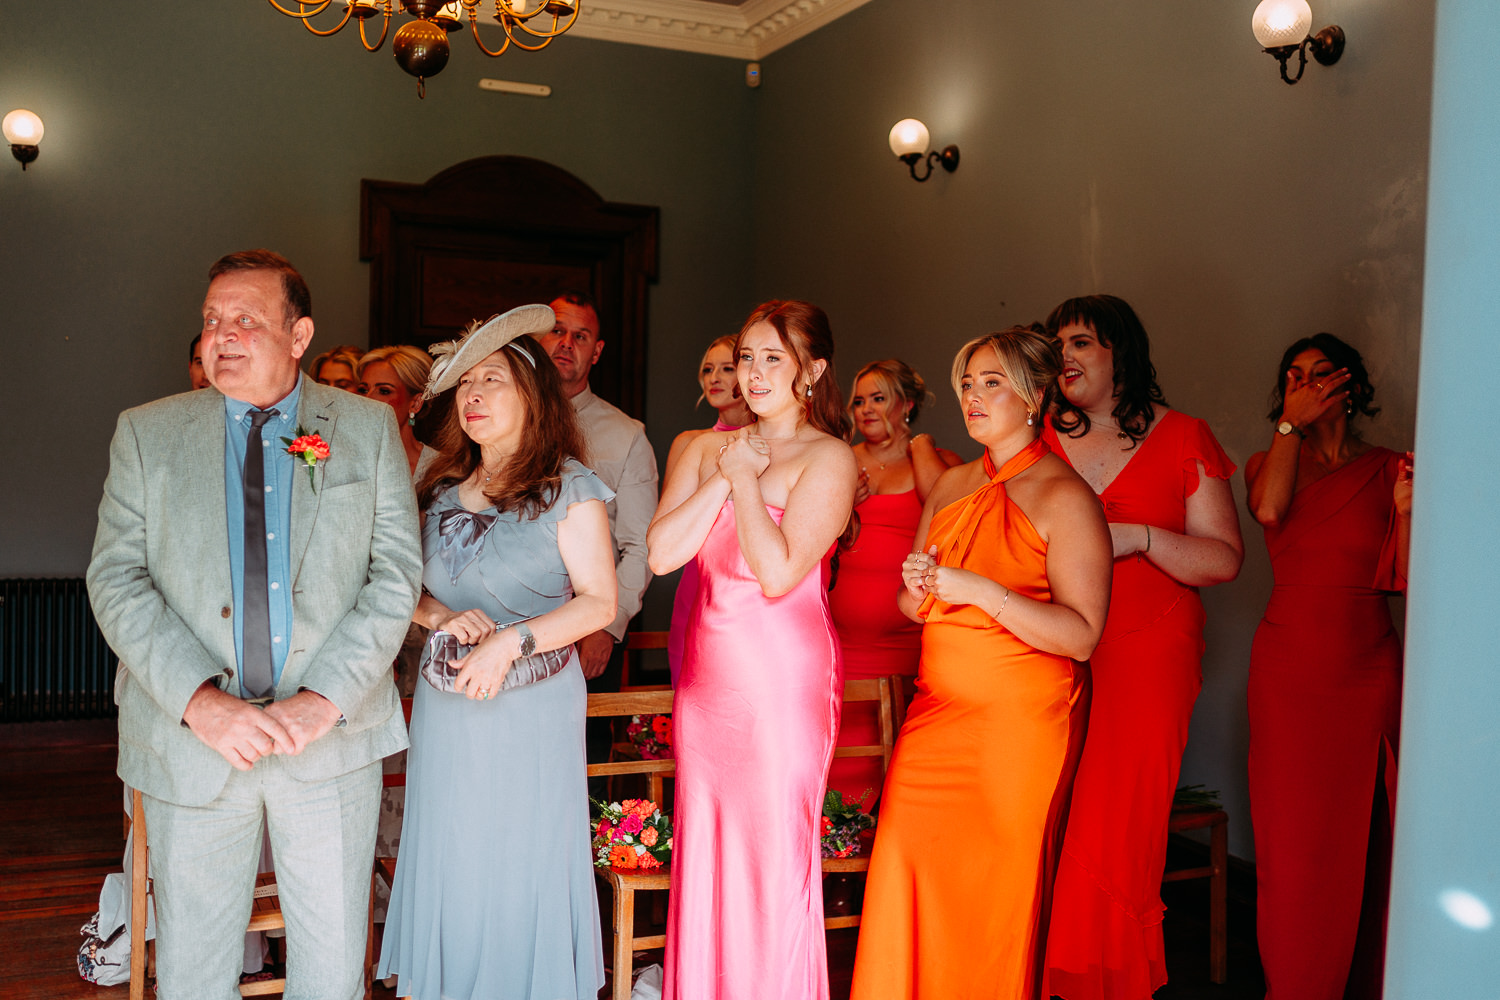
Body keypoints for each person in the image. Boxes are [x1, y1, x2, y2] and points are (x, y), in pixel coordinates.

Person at [87, 249, 421, 1000]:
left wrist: (325, 698)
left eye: (245, 320)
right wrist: (200, 702)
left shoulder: (366, 429)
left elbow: (394, 575)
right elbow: (115, 577)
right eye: (211, 321)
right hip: (194, 743)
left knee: (333, 967)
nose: (222, 337)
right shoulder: (147, 433)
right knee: (195, 967)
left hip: (329, 742)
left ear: (299, 335)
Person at [849, 327, 1112, 1000]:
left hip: (1015, 733)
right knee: (907, 873)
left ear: (1036, 396)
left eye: (992, 382)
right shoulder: (953, 483)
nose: (972, 396)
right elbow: (914, 605)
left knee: (990, 894)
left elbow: (1082, 636)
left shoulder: (1066, 497)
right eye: (967, 383)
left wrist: (984, 592)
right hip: (936, 721)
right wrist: (920, 582)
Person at [377, 306, 616, 1000]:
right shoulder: (440, 491)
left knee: (519, 856)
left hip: (533, 707)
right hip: (449, 706)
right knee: (454, 849)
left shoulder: (572, 487)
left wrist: (513, 639)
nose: (475, 396)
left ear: (534, 395)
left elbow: (599, 601)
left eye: (495, 381)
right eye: (467, 385)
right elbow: (403, 592)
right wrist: (440, 614)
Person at [648, 300, 858, 1000]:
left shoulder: (829, 457)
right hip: (708, 684)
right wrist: (726, 468)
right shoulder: (707, 447)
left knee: (770, 859)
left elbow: (777, 573)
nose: (755, 372)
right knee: (706, 853)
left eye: (774, 358)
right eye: (748, 358)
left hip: (778, 685)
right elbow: (660, 553)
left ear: (812, 370)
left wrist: (743, 481)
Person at [1040, 295, 1244, 1000]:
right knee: (1049, 807)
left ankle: (1108, 977)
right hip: (1051, 651)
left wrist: (1142, 538)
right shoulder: (1036, 439)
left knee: (1122, 817)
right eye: (1056, 343)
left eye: (1082, 342)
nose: (1065, 354)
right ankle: (1044, 973)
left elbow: (1224, 560)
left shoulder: (1185, 434)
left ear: (1121, 355)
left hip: (1149, 655)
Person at [1243, 333, 1411, 1000]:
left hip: (1369, 663)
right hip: (1289, 672)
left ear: (1351, 386)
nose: (1305, 385)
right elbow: (1269, 510)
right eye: (1292, 377)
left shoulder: (1391, 466)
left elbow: (1411, 580)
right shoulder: (1267, 460)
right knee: (1295, 846)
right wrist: (1292, 423)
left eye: (1318, 375)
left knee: (1374, 831)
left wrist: (1405, 514)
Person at [827, 359, 961, 803]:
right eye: (859, 400)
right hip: (840, 644)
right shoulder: (840, 460)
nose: (865, 408)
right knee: (836, 770)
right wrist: (845, 503)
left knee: (895, 773)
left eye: (878, 398)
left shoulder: (938, 463)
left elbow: (946, 507)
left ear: (906, 404)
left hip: (906, 645)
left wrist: (919, 443)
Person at [537, 291, 658, 682]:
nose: (566, 343)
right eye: (557, 331)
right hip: (506, 617)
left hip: (588, 625)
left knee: (586, 742)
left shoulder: (628, 436)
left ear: (597, 351)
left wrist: (609, 624)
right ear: (537, 338)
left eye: (581, 336)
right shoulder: (499, 419)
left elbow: (640, 545)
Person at [663, 334, 755, 682]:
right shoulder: (688, 444)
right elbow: (668, 530)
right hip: (698, 586)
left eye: (727, 368)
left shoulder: (774, 445)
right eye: (708, 369)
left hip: (756, 591)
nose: (714, 377)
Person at [356, 344, 434, 476]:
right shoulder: (342, 457)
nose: (367, 399)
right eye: (363, 390)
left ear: (415, 404)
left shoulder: (441, 469)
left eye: (384, 391)